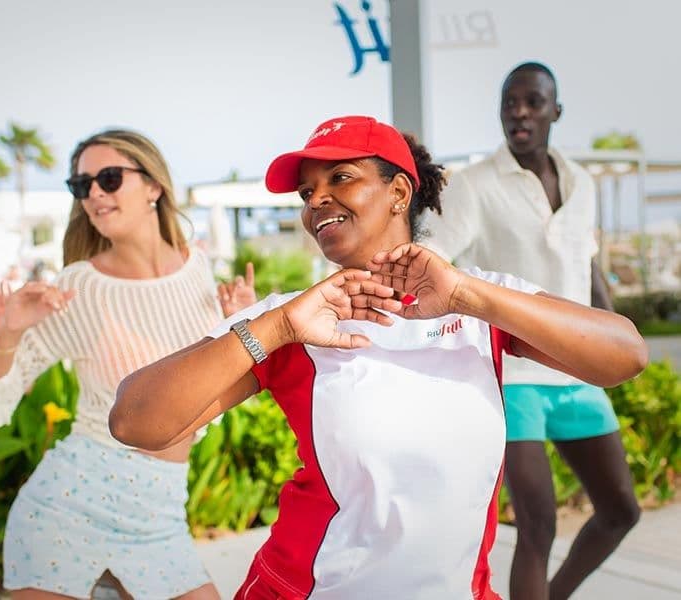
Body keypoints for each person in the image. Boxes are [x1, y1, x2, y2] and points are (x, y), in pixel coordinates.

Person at [110, 116, 648, 599]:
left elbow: (623, 355)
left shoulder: (481, 299)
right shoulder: (291, 319)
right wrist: (273, 327)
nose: (316, 200)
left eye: (340, 178)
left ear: (397, 191)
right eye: (306, 192)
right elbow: (136, 422)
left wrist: (465, 295)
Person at [0, 129, 256, 600]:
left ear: (154, 185)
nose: (94, 193)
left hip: (160, 514)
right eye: (81, 185)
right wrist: (8, 336)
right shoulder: (80, 287)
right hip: (68, 509)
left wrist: (240, 323)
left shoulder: (198, 268)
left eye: (109, 178)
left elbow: (208, 390)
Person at [420, 62, 641, 600]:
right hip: (514, 375)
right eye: (509, 102)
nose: (519, 112)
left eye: (532, 102)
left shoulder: (581, 181)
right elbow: (434, 258)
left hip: (579, 372)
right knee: (538, 525)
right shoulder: (472, 185)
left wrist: (613, 339)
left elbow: (585, 267)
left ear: (554, 112)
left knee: (620, 512)